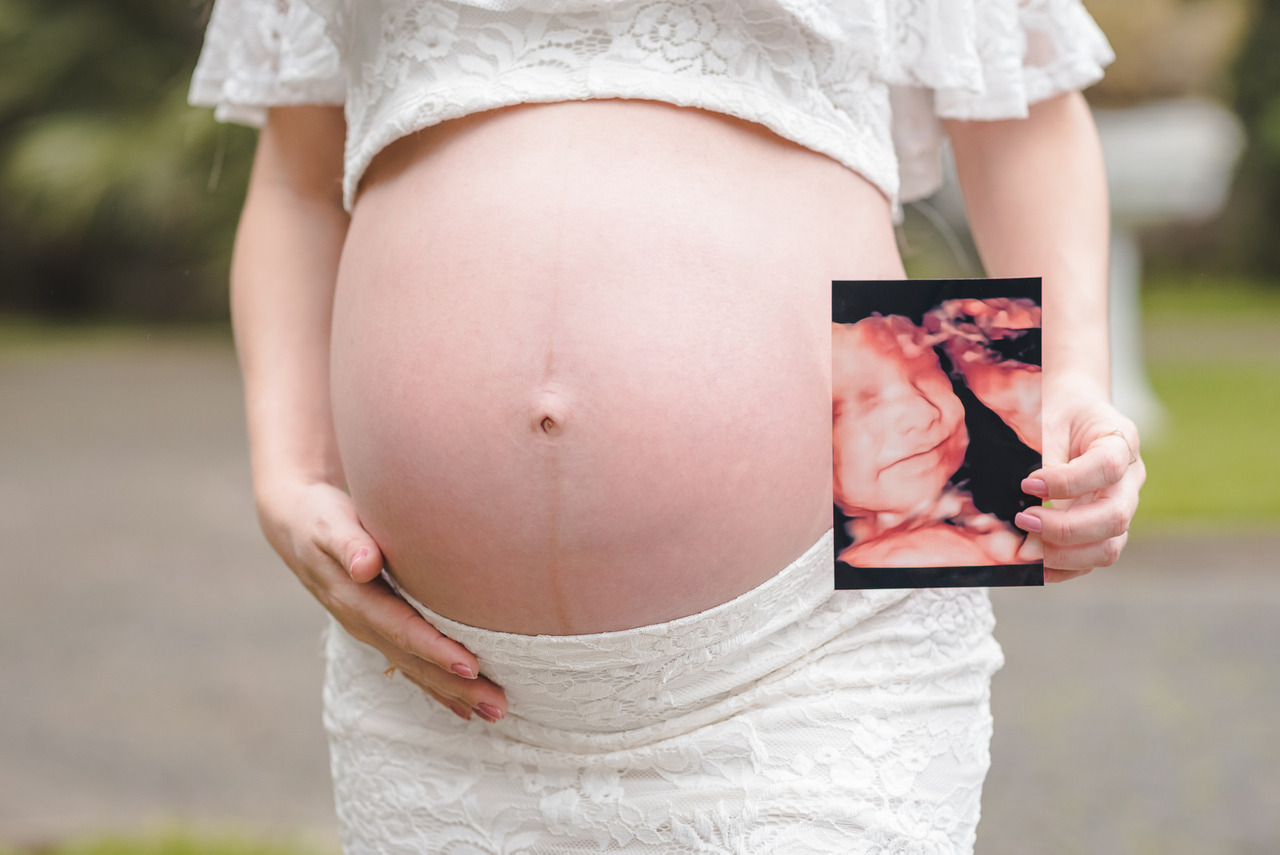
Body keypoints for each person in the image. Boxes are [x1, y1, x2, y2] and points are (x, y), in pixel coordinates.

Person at [189, 0, 1146, 849]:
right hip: (429, 683)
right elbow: (297, 179)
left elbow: (1022, 109)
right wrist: (287, 474)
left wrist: (1072, 378)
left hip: (830, 625)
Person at [832, 313, 1036, 568]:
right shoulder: (881, 562)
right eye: (865, 401)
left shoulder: (989, 495)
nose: (923, 414)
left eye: (925, 374)